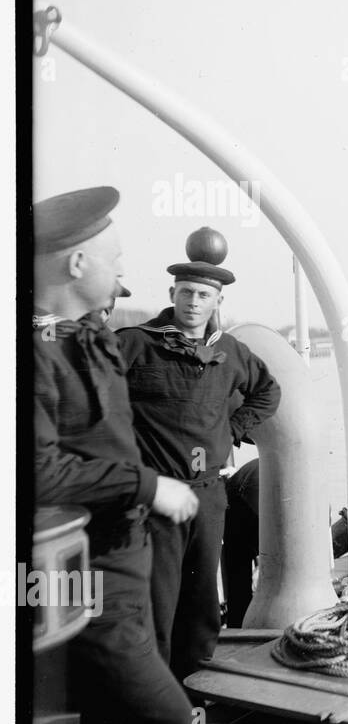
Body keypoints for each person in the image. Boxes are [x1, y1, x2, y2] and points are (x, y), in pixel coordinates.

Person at [32, 186, 228, 724]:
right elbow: (32, 470)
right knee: (170, 723)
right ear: (77, 265)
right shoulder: (29, 354)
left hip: (127, 555)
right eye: (114, 260)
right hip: (79, 573)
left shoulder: (89, 331)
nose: (124, 276)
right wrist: (149, 486)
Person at [117, 251, 281, 680]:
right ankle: (156, 695)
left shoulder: (228, 350)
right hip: (157, 495)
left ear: (216, 301)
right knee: (158, 600)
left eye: (203, 294)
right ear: (172, 294)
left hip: (208, 494)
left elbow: (267, 390)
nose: (193, 301)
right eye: (186, 292)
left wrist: (233, 428)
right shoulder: (135, 342)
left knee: (202, 599)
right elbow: (100, 404)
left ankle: (197, 689)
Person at [220, 459, 260, 628]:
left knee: (238, 579)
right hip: (242, 494)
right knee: (239, 578)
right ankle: (238, 623)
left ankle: (237, 622)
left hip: (247, 485)